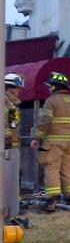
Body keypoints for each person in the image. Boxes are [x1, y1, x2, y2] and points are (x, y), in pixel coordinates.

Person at [30, 72, 70, 212]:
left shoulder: (51, 101)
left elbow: (45, 121)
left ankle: (51, 200)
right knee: (68, 170)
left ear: (55, 87)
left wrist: (36, 138)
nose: (49, 89)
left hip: (54, 143)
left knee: (52, 168)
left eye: (50, 86)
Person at [4, 73, 24, 219]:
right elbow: (12, 125)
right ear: (11, 88)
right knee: (11, 175)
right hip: (7, 143)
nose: (19, 91)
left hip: (9, 143)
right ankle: (9, 204)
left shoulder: (11, 103)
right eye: (17, 88)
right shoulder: (7, 103)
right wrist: (13, 142)